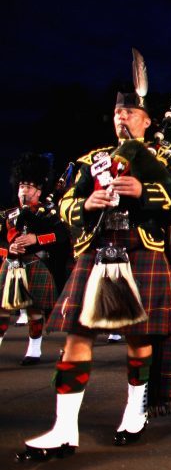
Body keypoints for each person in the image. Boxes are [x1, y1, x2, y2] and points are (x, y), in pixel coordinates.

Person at [18, 75, 171, 461]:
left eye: (130, 112)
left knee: (139, 338)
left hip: (141, 252)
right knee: (76, 338)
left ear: (147, 120)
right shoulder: (90, 160)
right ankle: (64, 429)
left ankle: (134, 411)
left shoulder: (163, 162)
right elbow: (65, 203)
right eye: (118, 112)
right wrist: (86, 205)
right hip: (98, 252)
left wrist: (144, 191)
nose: (122, 117)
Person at [0, 153, 71, 365]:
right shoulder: (8, 214)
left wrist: (35, 238)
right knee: (1, 308)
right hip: (11, 263)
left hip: (36, 263)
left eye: (29, 187)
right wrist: (9, 248)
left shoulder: (49, 213)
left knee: (34, 310)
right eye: (22, 186)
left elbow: (62, 236)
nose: (24, 190)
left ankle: (34, 350)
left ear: (38, 191)